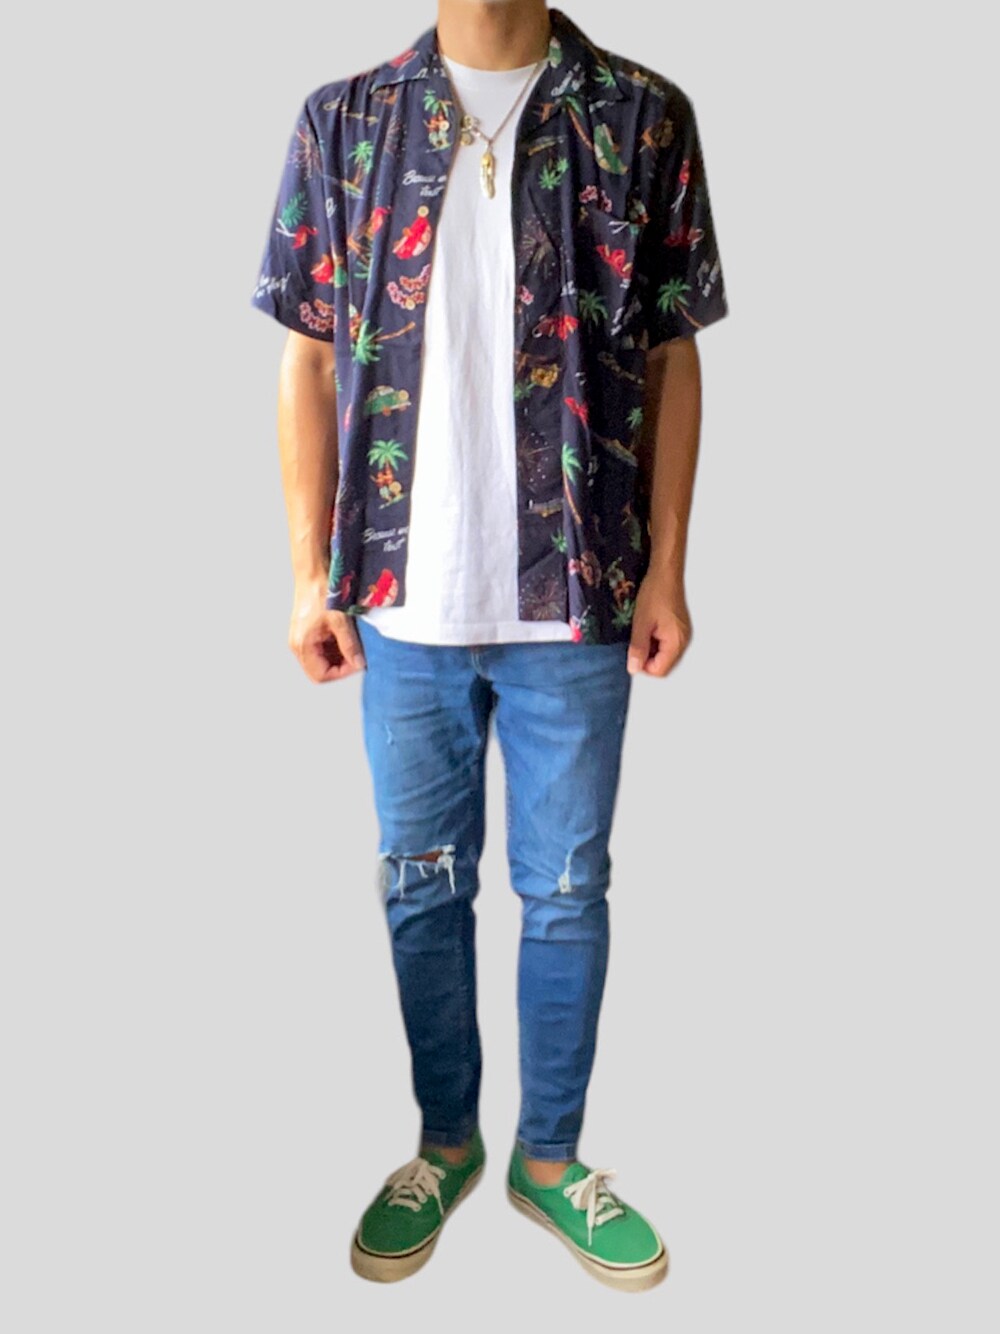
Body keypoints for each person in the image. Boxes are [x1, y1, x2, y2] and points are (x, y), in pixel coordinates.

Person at [250, 0, 727, 1292]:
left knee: (567, 889)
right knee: (420, 884)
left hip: (577, 594)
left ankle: (550, 1159)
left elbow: (673, 360)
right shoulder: (344, 122)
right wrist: (306, 578)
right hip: (398, 601)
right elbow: (305, 362)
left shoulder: (642, 116)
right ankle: (446, 1142)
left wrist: (668, 568)